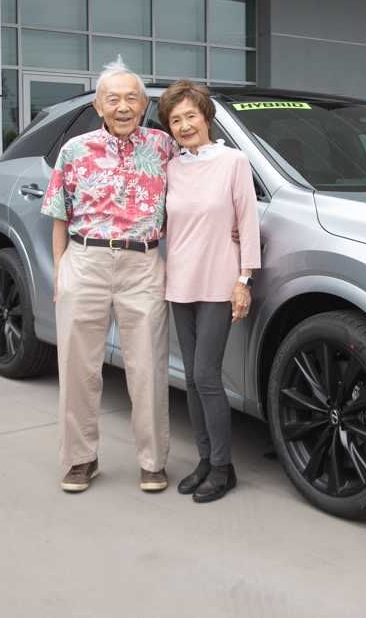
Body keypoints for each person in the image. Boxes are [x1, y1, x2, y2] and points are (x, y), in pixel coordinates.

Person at [42, 57, 174, 493]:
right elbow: (59, 216)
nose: (122, 106)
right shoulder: (74, 151)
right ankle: (80, 459)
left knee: (149, 368)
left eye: (131, 98)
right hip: (86, 261)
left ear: (144, 106)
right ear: (99, 106)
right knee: (77, 367)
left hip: (143, 264)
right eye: (112, 99)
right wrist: (62, 272)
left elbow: (197, 198)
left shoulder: (164, 147)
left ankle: (153, 461)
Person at [157, 78, 261, 503]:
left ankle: (223, 467)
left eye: (190, 116)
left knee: (206, 376)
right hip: (179, 281)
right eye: (175, 119)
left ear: (206, 117)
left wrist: (244, 279)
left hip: (220, 282)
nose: (184, 125)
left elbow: (248, 222)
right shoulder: (171, 168)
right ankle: (205, 461)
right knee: (192, 381)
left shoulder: (234, 161)